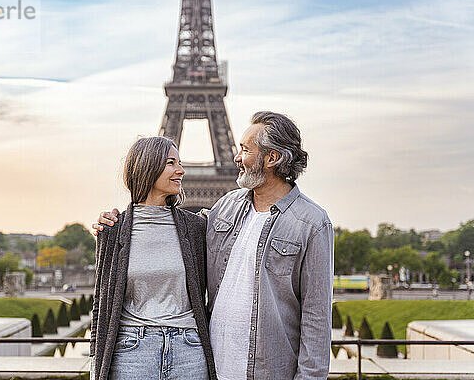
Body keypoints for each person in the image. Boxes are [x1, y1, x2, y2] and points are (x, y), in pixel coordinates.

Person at [94, 111, 334, 380]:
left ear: (272, 158)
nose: (236, 157)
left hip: (260, 368)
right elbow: (165, 231)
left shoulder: (312, 223)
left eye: (245, 149)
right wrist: (116, 221)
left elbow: (316, 318)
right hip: (208, 364)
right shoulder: (225, 208)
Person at [89, 136, 217, 380]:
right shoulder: (112, 230)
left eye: (179, 163)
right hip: (131, 352)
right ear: (147, 167)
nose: (181, 170)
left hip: (188, 350)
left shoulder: (196, 227)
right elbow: (100, 303)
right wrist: (96, 363)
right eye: (171, 163)